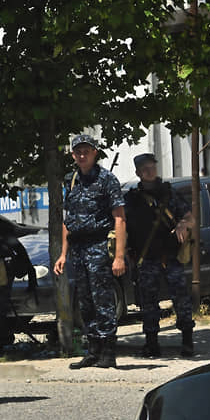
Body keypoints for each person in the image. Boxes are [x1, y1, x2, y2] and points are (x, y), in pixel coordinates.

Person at [53, 134, 126, 369]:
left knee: (103, 299)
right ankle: (93, 350)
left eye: (86, 151)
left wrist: (119, 257)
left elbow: (119, 218)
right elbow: (68, 220)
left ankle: (108, 352)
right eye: (78, 152)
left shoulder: (107, 180)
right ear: (73, 155)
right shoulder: (71, 180)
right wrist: (63, 254)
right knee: (84, 302)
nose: (82, 155)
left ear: (95, 153)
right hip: (78, 248)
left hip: (98, 246)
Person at [125, 153, 195, 357]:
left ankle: (188, 341)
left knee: (181, 299)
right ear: (138, 172)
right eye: (145, 168)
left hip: (170, 256)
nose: (149, 171)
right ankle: (152, 343)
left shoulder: (169, 194)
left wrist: (183, 224)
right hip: (146, 258)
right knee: (148, 302)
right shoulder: (132, 198)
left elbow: (190, 217)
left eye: (152, 167)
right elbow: (124, 226)